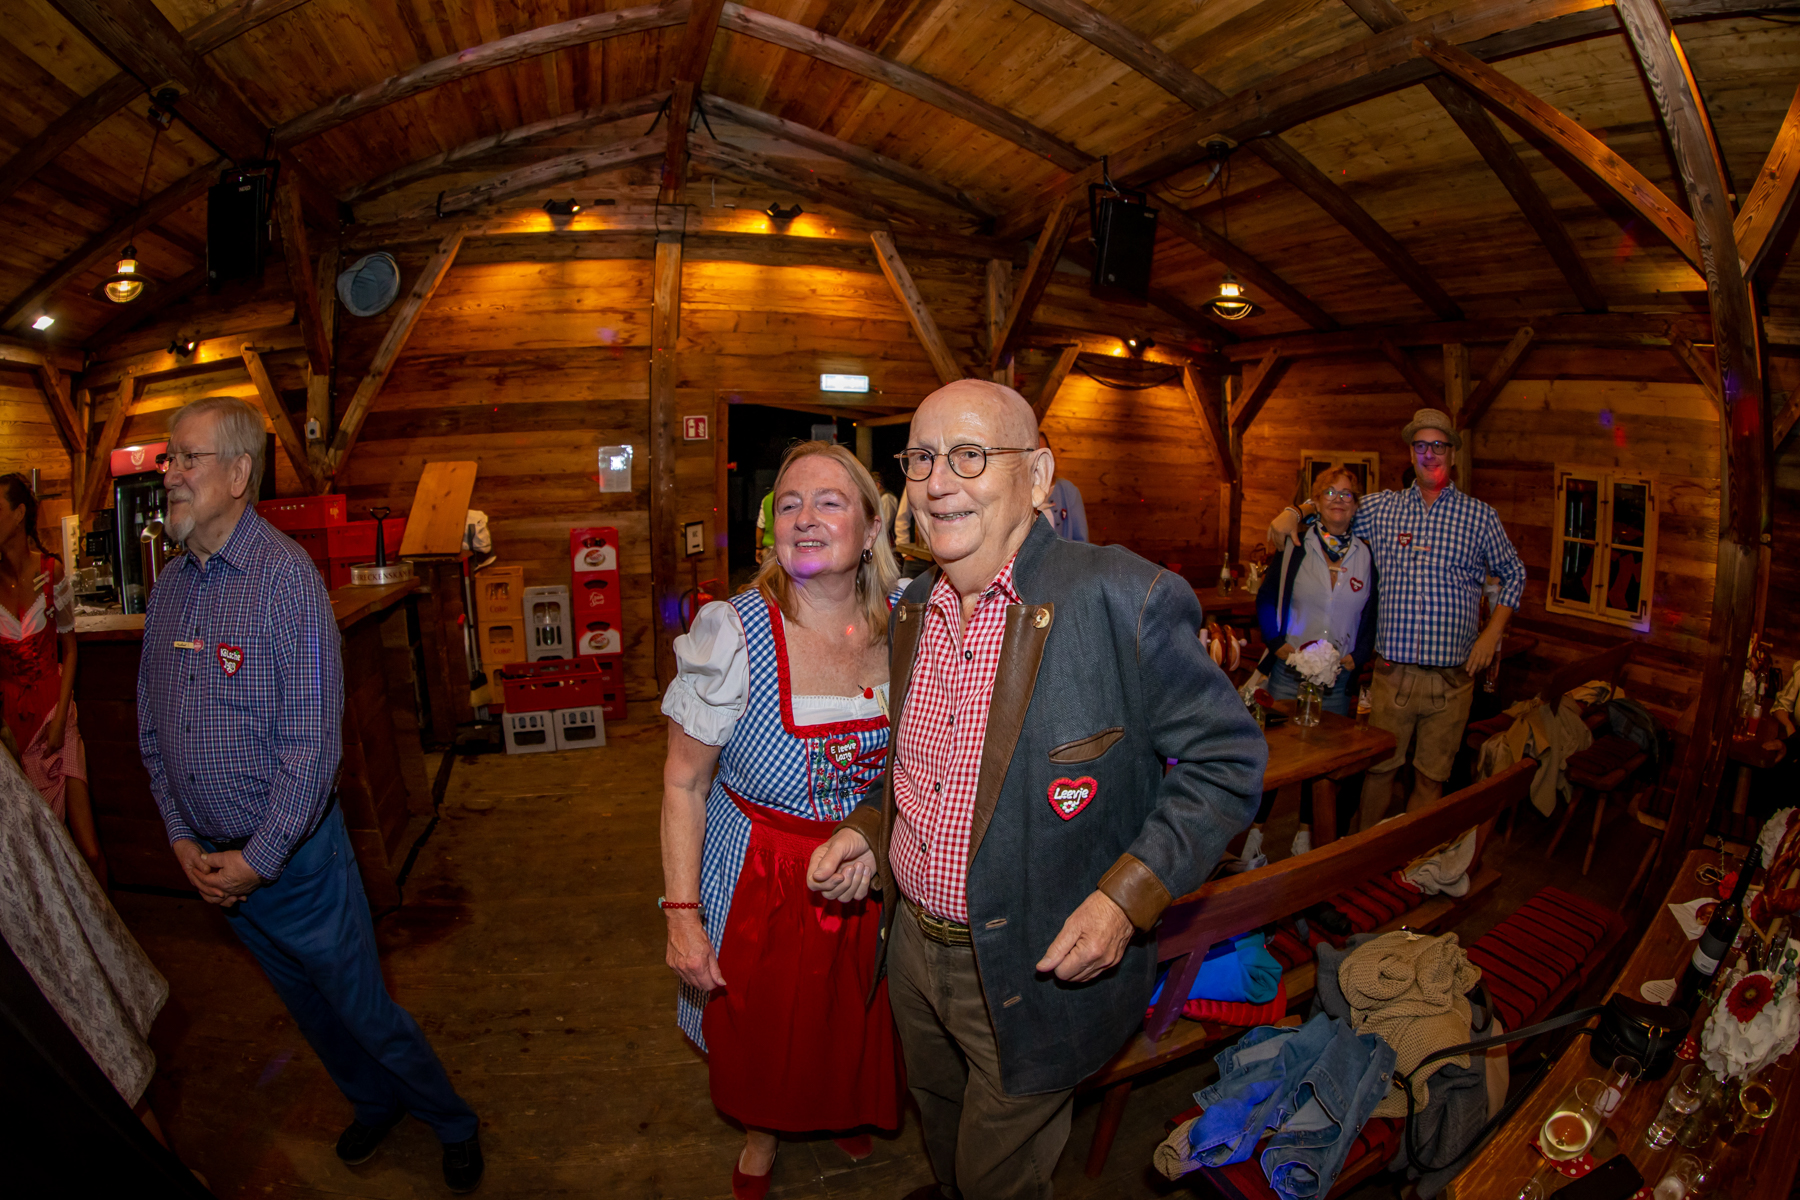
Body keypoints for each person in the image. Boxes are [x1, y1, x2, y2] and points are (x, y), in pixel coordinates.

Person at [807, 380, 1267, 1200]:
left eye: (970, 456)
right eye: (921, 459)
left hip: (1034, 966)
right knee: (941, 1126)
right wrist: (869, 831)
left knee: (997, 1177)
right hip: (910, 950)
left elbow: (1227, 763)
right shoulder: (914, 606)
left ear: (1039, 475)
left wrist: (1125, 898)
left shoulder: (1123, 598)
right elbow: (924, 767)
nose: (938, 483)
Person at [134, 397, 483, 1193]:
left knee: (361, 1008)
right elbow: (156, 733)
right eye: (168, 459)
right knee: (310, 1011)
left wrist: (255, 861)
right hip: (217, 866)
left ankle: (450, 1119)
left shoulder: (284, 579)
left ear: (238, 473)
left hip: (293, 863)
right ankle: (373, 1104)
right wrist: (182, 839)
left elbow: (312, 751)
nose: (171, 474)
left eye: (186, 459)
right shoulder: (172, 588)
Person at [661, 441, 904, 1200]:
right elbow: (683, 782)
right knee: (768, 1027)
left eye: (829, 502)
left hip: (873, 869)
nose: (804, 518)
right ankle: (762, 1132)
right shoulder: (733, 632)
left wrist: (877, 845)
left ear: (871, 528)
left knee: (855, 1013)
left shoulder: (908, 621)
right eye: (789, 504)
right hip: (763, 874)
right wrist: (681, 916)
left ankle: (837, 1105)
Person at [1268, 408, 1525, 831]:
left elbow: (1514, 573)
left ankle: (1413, 860)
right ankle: (1364, 856)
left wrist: (1490, 634)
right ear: (1411, 453)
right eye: (1421, 445)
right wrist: (1294, 511)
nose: (1429, 454)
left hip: (1452, 680)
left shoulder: (1480, 517)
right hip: (1392, 676)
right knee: (1379, 771)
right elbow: (1335, 505)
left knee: (1431, 777)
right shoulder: (1382, 508)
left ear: (1453, 454)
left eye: (1438, 445)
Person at [1241, 467, 1378, 860]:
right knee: (1273, 755)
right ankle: (1254, 835)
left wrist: (1358, 656)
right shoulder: (1297, 545)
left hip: (1336, 680)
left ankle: (1304, 837)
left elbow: (1371, 614)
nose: (1338, 500)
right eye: (1329, 492)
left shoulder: (1366, 555)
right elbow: (1267, 598)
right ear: (1316, 502)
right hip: (1289, 673)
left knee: (1320, 762)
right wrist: (1277, 644)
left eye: (1347, 494)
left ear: (1356, 506)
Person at [0, 474, 106, 884]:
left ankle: (105, 923)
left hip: (55, 712)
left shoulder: (51, 570)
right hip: (14, 728)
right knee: (41, 851)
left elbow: (70, 648)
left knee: (88, 848)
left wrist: (62, 718)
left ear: (19, 515)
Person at [1034, 433, 1087, 541]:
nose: (1039, 459)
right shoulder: (1016, 491)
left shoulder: (1068, 490)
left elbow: (1081, 540)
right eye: (1034, 453)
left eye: (1044, 453)